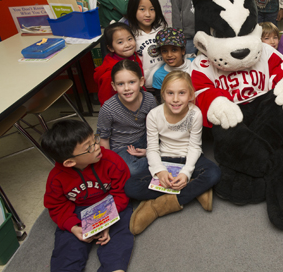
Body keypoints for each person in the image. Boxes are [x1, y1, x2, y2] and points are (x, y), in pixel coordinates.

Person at [125, 71, 221, 235]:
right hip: (164, 157)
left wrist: (185, 172)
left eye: (182, 93)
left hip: (190, 158)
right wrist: (160, 171)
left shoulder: (195, 113)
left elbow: (195, 147)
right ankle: (194, 190)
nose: (176, 99)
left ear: (190, 94)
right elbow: (153, 148)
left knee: (214, 173)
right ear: (163, 94)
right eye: (170, 93)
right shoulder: (154, 115)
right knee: (130, 187)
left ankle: (159, 205)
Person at [42, 120, 133, 272]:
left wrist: (106, 221)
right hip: (77, 208)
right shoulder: (56, 178)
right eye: (89, 147)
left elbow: (122, 191)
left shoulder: (111, 160)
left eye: (95, 140)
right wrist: (73, 227)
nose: (97, 146)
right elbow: (57, 206)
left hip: (111, 202)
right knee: (67, 243)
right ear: (70, 162)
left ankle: (114, 268)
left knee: (121, 232)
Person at [97, 60, 157, 177]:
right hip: (121, 147)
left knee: (173, 144)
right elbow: (103, 137)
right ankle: (157, 162)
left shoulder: (149, 99)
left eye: (131, 82)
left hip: (145, 138)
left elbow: (155, 126)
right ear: (114, 86)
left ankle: (155, 160)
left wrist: (150, 149)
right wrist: (108, 162)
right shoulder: (108, 108)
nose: (126, 88)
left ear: (141, 82)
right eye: (120, 84)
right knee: (132, 170)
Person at [126, 0, 168, 89]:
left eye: (152, 9)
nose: (148, 14)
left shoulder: (162, 31)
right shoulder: (131, 36)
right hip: (145, 86)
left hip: (165, 81)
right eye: (142, 9)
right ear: (133, 10)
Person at [94, 22, 144, 106]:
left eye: (129, 39)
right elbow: (106, 101)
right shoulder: (110, 73)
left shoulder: (134, 56)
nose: (128, 45)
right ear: (111, 48)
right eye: (120, 42)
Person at [151, 28, 195, 102]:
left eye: (174, 50)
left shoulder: (195, 64)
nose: (169, 55)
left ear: (183, 51)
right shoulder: (158, 75)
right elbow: (162, 101)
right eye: (164, 51)